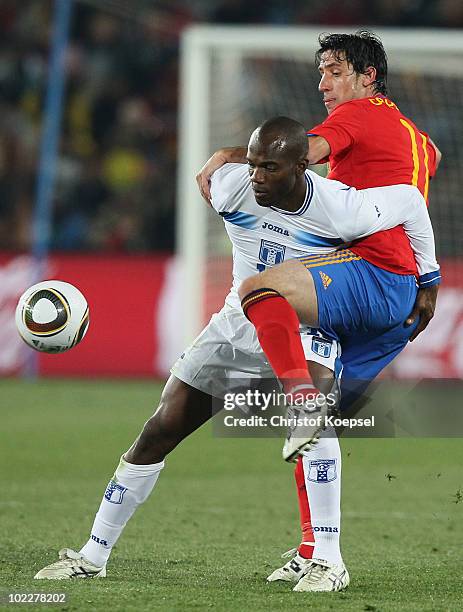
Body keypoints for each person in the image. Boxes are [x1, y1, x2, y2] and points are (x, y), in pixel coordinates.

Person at [33, 116, 438, 594]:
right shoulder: (232, 187)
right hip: (237, 325)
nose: (258, 177)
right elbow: (212, 174)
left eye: (270, 168)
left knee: (313, 422)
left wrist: (428, 279)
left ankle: (328, 560)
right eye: (253, 165)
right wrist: (223, 157)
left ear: (301, 168)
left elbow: (411, 200)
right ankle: (92, 554)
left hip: (306, 325)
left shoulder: (342, 207)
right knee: (160, 428)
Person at [195, 30, 441, 590]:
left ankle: (325, 550)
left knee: (261, 291)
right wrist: (430, 277)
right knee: (314, 414)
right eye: (321, 73)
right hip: (399, 292)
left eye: (334, 71)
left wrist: (233, 155)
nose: (323, 84)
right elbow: (421, 178)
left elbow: (296, 154)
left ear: (367, 77)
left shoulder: (359, 116)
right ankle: (318, 552)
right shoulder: (415, 136)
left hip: (371, 275)